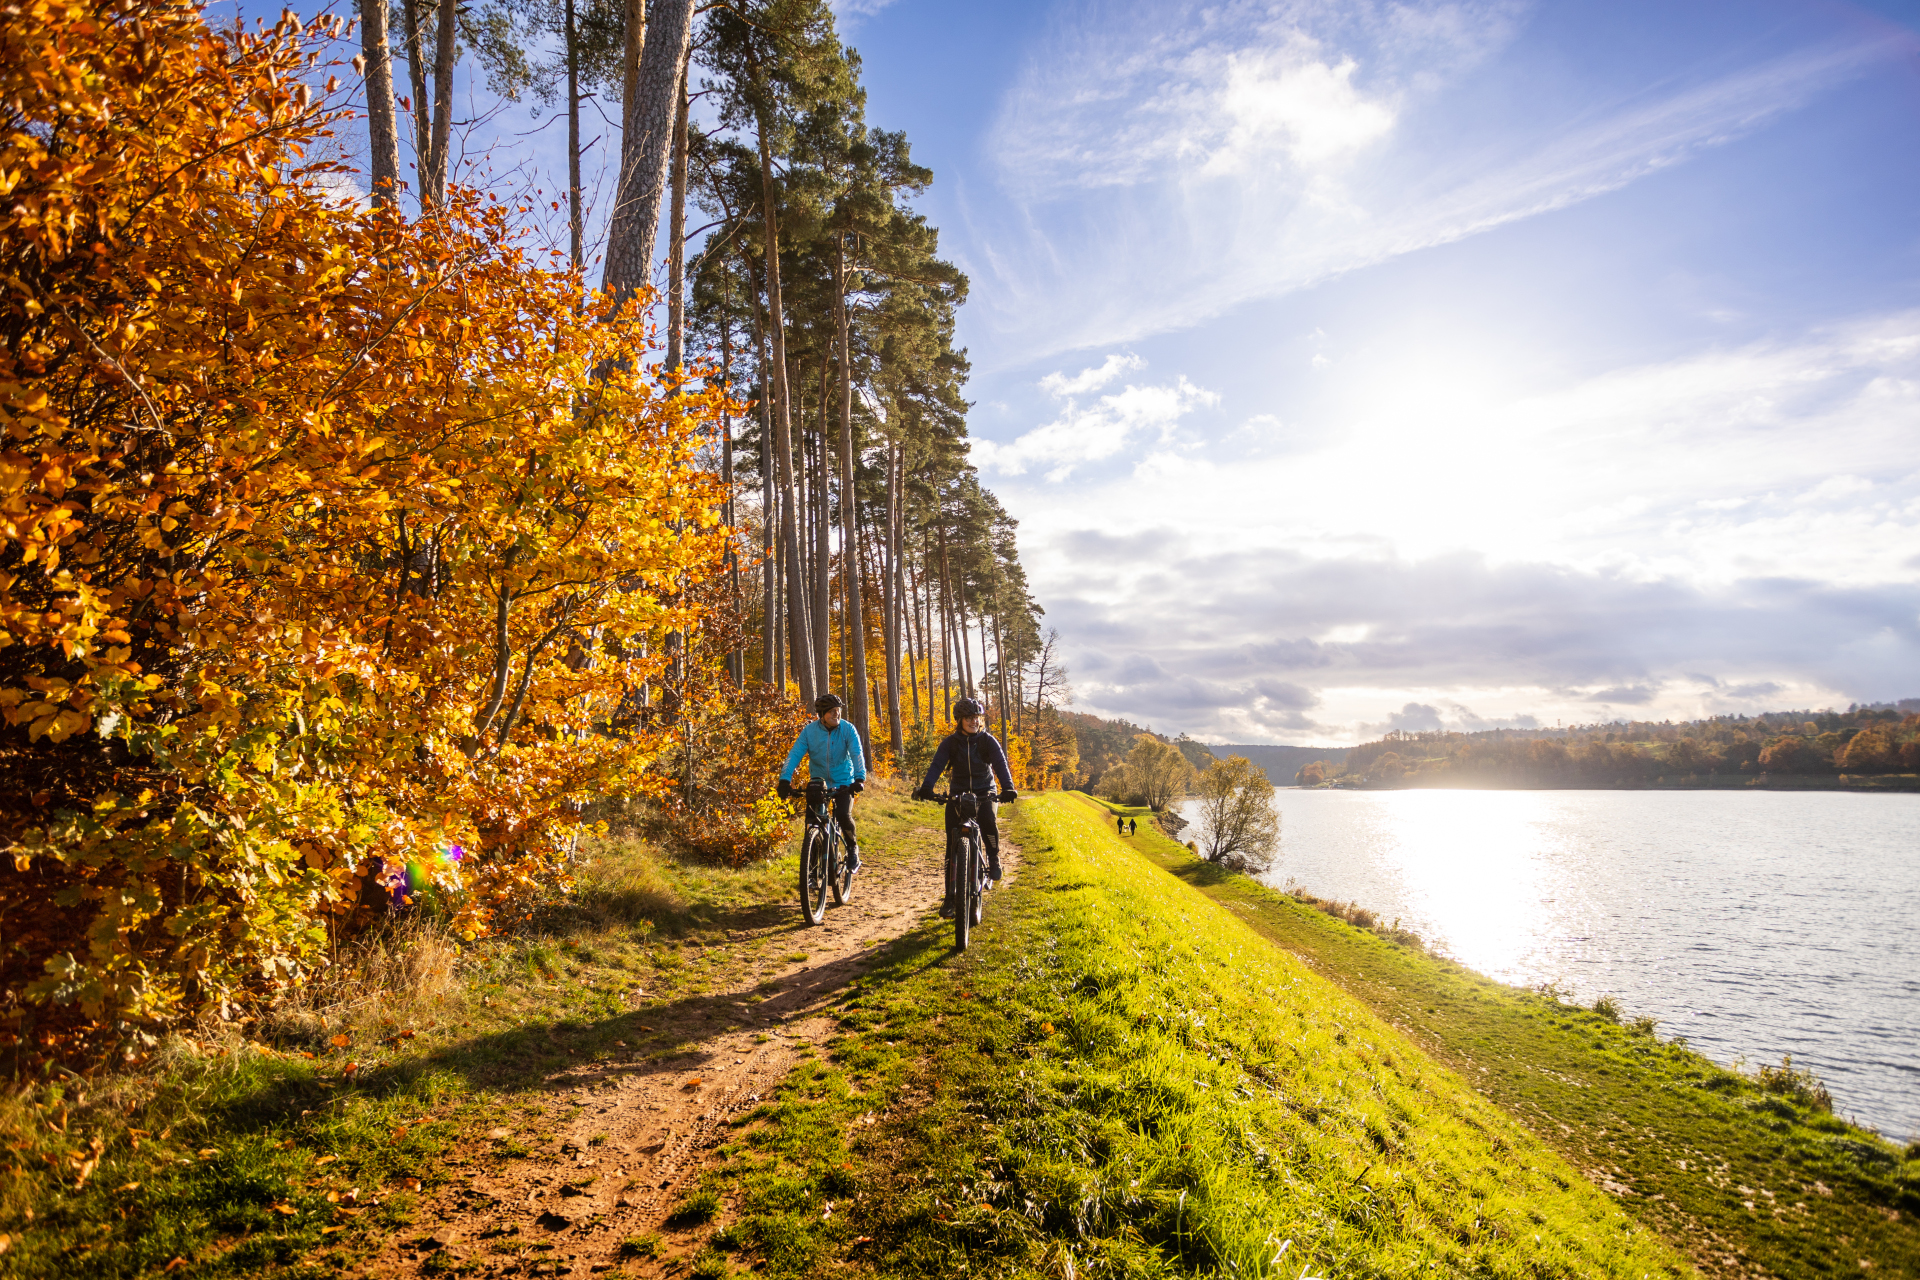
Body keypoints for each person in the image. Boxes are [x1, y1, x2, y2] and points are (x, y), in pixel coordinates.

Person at [912, 696, 1017, 914]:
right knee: (952, 843)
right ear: (959, 720)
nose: (973, 722)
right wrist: (927, 788)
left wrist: (1008, 788)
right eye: (968, 718)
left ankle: (994, 857)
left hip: (985, 791)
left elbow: (1000, 763)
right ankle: (950, 898)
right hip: (958, 793)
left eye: (976, 717)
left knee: (988, 820)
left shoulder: (988, 741)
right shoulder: (950, 743)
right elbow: (936, 765)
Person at [778, 693, 866, 874]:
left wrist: (859, 778)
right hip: (819, 782)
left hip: (844, 782)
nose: (837, 714)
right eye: (832, 711)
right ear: (822, 714)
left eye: (838, 711)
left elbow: (857, 754)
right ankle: (810, 870)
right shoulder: (810, 732)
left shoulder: (848, 730)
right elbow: (794, 755)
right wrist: (785, 780)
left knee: (842, 814)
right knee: (812, 823)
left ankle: (852, 849)